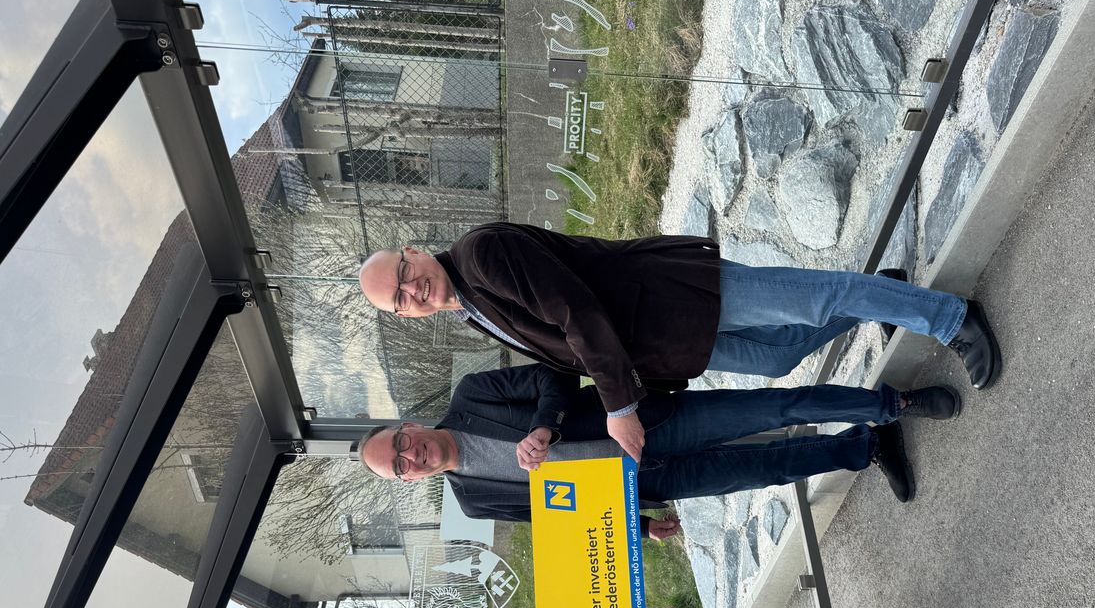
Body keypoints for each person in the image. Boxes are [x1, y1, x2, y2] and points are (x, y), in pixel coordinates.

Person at [356, 223, 1002, 462]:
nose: (412, 291)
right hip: (664, 344)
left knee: (818, 296)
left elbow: (576, 309)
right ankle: (883, 293)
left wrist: (618, 407)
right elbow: (563, 351)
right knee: (779, 356)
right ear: (405, 317)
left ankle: (949, 318)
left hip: (674, 297)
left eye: (405, 275)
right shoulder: (469, 308)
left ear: (413, 251)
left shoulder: (481, 256)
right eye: (400, 299)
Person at [357, 363, 963, 529]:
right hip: (650, 481)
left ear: (407, 426)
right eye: (400, 469)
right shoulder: (474, 501)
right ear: (409, 481)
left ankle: (893, 405)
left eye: (401, 445)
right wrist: (642, 528)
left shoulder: (472, 397)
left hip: (646, 425)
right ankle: (866, 447)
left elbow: (554, 379)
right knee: (767, 468)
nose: (410, 458)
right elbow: (560, 517)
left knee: (775, 407)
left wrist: (546, 428)